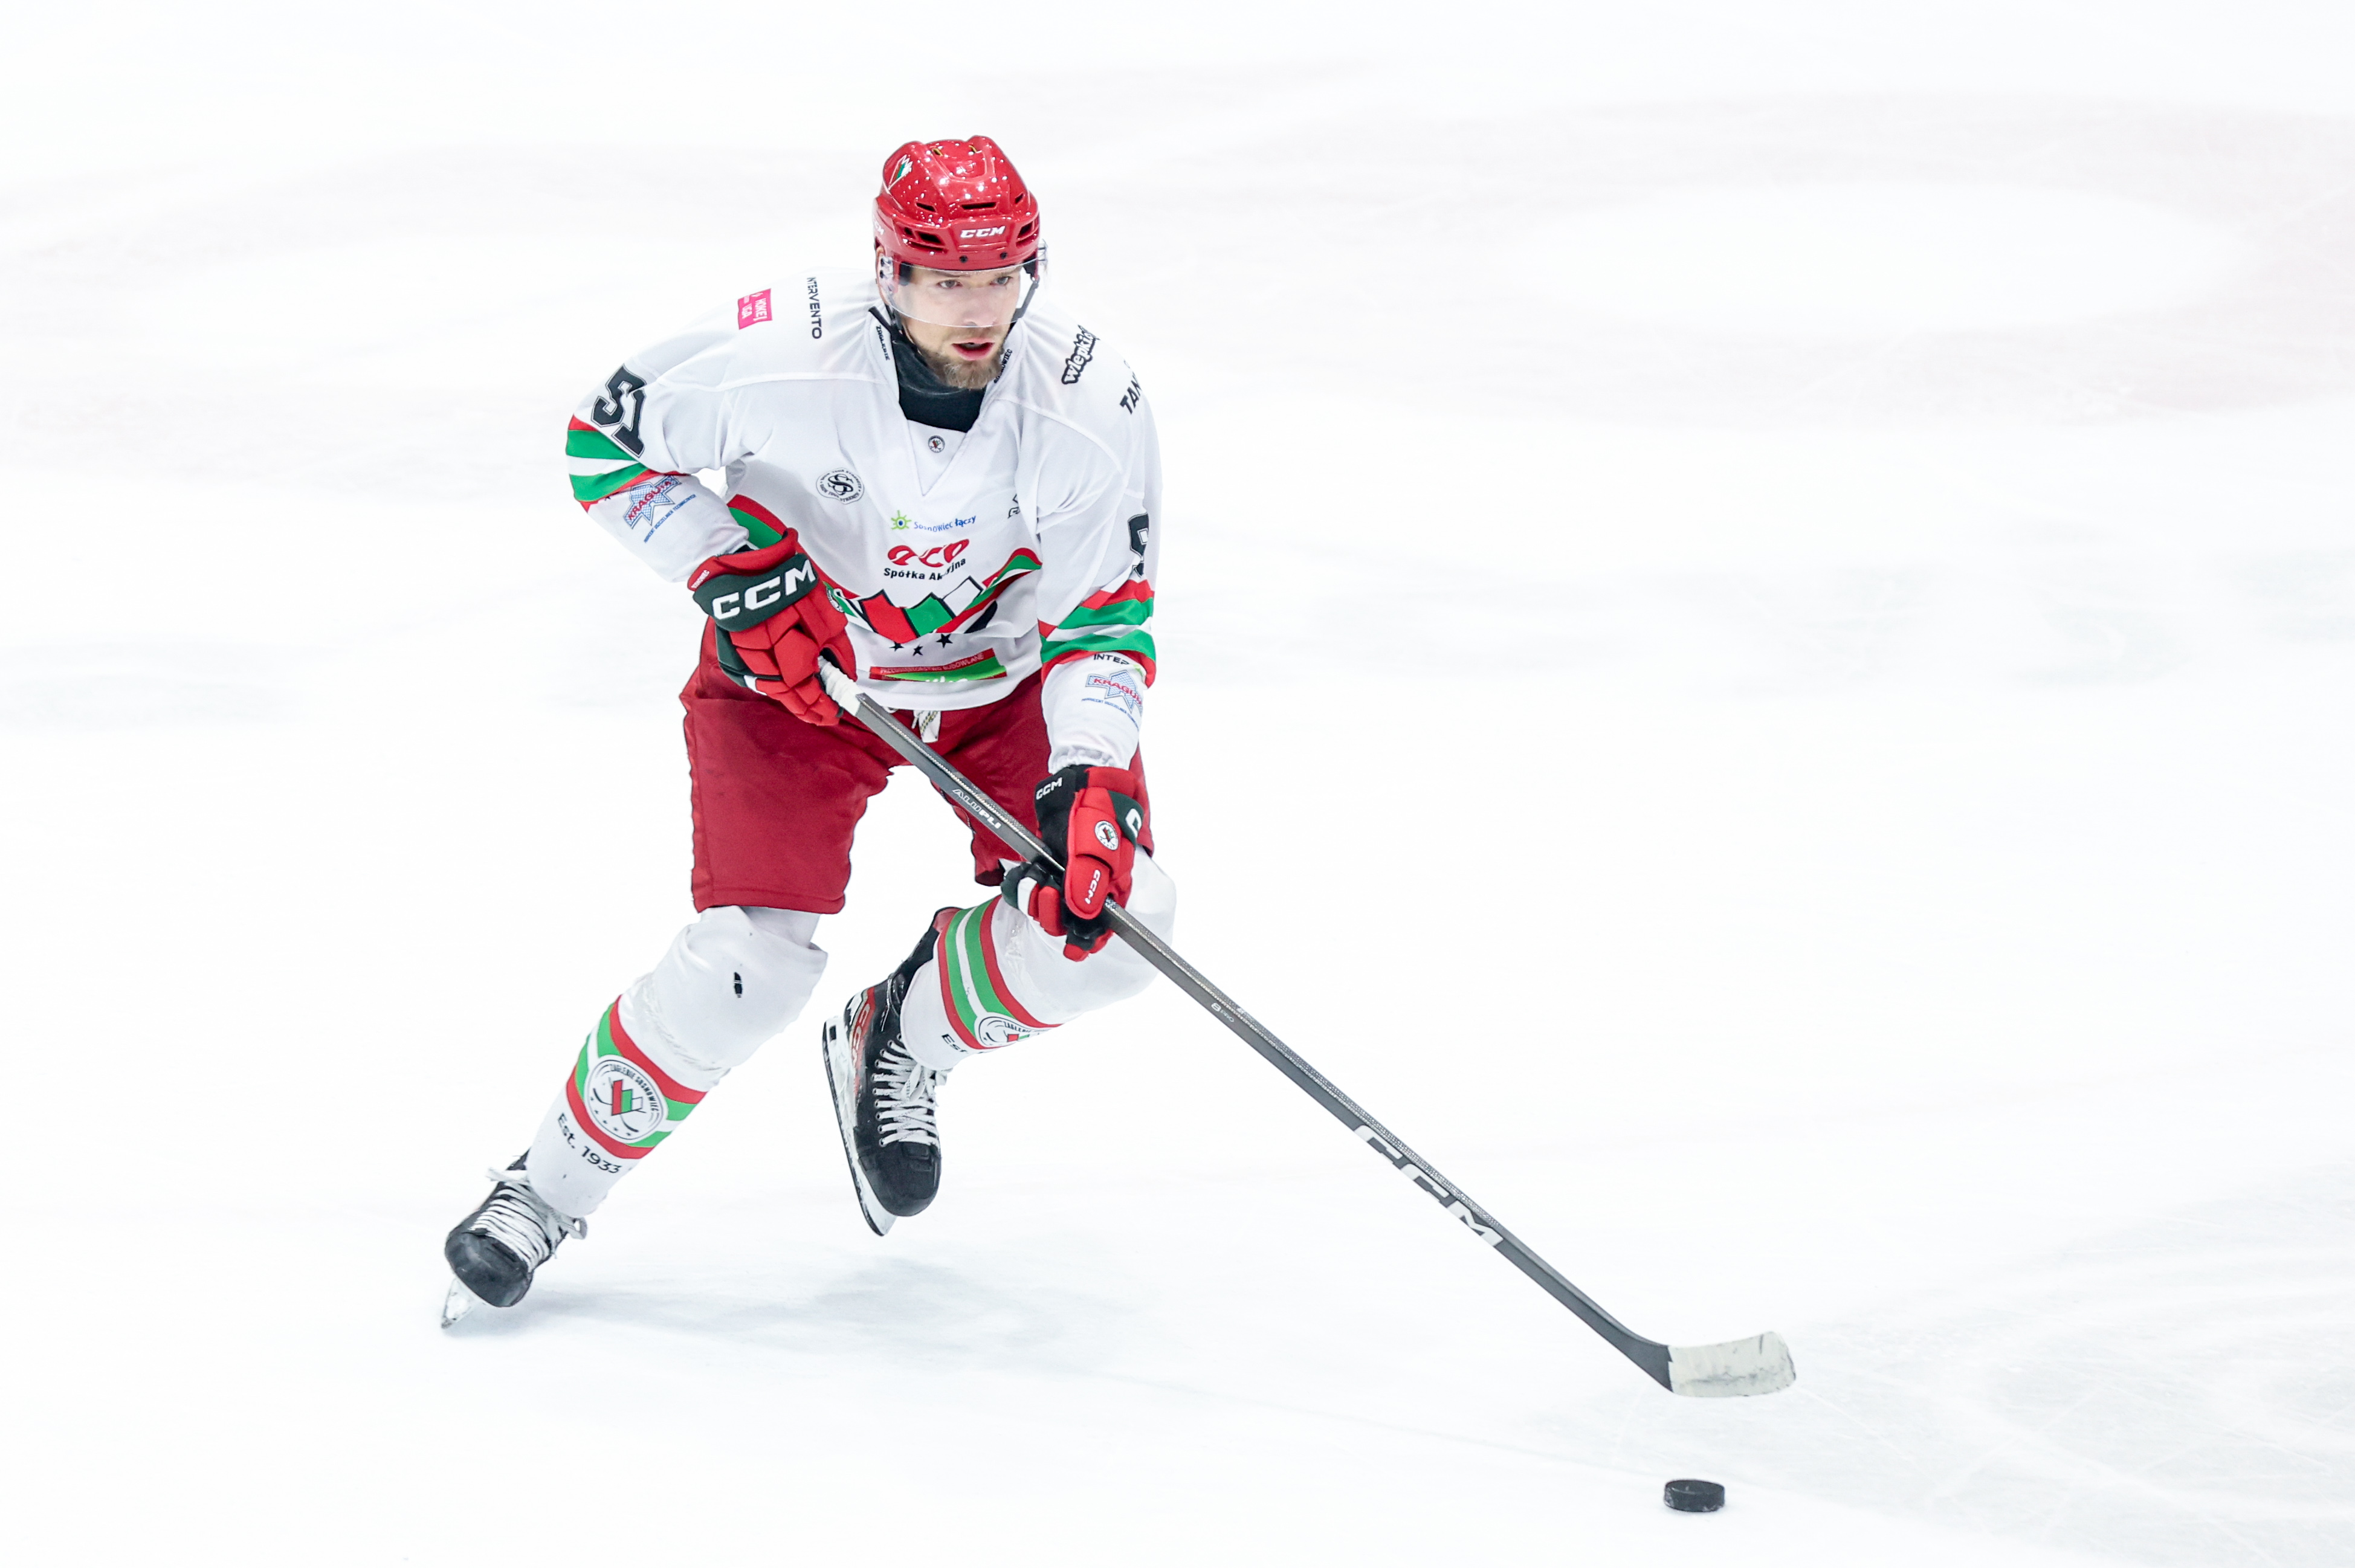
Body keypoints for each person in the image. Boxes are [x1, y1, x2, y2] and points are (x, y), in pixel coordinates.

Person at [441, 135, 1173, 1320]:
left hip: (1004, 686)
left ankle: (905, 1035)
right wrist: (725, 564)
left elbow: (1106, 615)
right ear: (890, 272)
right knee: (747, 970)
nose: (978, 309)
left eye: (1001, 278)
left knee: (1117, 925)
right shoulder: (778, 349)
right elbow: (602, 441)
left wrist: (1092, 770)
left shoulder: (1093, 400)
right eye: (947, 281)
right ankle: (543, 1191)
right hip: (799, 682)